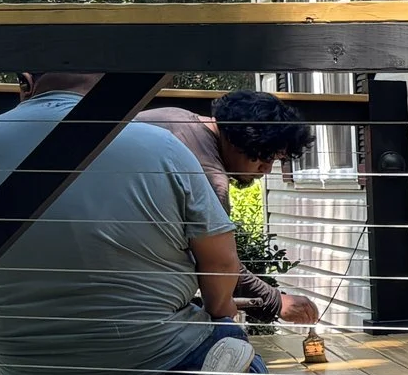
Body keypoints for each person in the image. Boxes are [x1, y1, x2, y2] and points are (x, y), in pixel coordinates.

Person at [0, 72, 270, 375]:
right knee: (241, 356)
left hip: (24, 361)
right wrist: (221, 316)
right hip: (147, 353)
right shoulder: (162, 145)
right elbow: (219, 262)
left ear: (26, 82)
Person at [131, 89, 321, 326]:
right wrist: (276, 302)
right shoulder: (210, 177)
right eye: (266, 157)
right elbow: (221, 264)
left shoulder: (175, 117)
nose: (267, 169)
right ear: (242, 139)